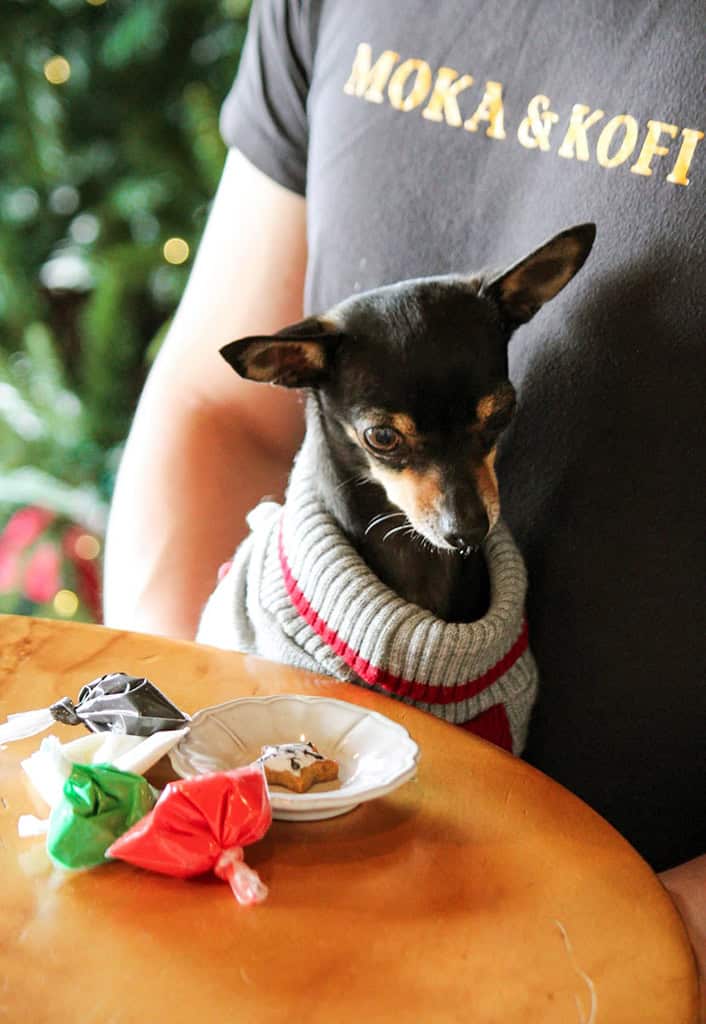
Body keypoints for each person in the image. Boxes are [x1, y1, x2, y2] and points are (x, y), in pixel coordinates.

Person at [104, 0, 705, 1001]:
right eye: (393, 443)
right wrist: (183, 776)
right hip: (263, 932)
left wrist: (653, 949)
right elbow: (221, 413)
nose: (459, 501)